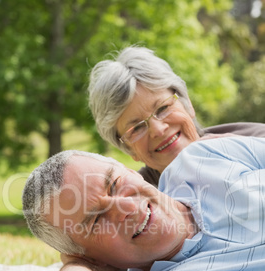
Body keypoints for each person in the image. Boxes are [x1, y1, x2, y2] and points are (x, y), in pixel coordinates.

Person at [22, 135, 265, 271]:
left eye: (115, 184)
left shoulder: (201, 158)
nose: (127, 208)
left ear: (130, 170)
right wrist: (76, 263)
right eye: (96, 220)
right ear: (92, 258)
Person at [88, 45, 265, 186]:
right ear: (128, 149)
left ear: (187, 103)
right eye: (137, 128)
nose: (158, 129)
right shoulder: (137, 207)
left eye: (163, 108)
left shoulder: (255, 142)